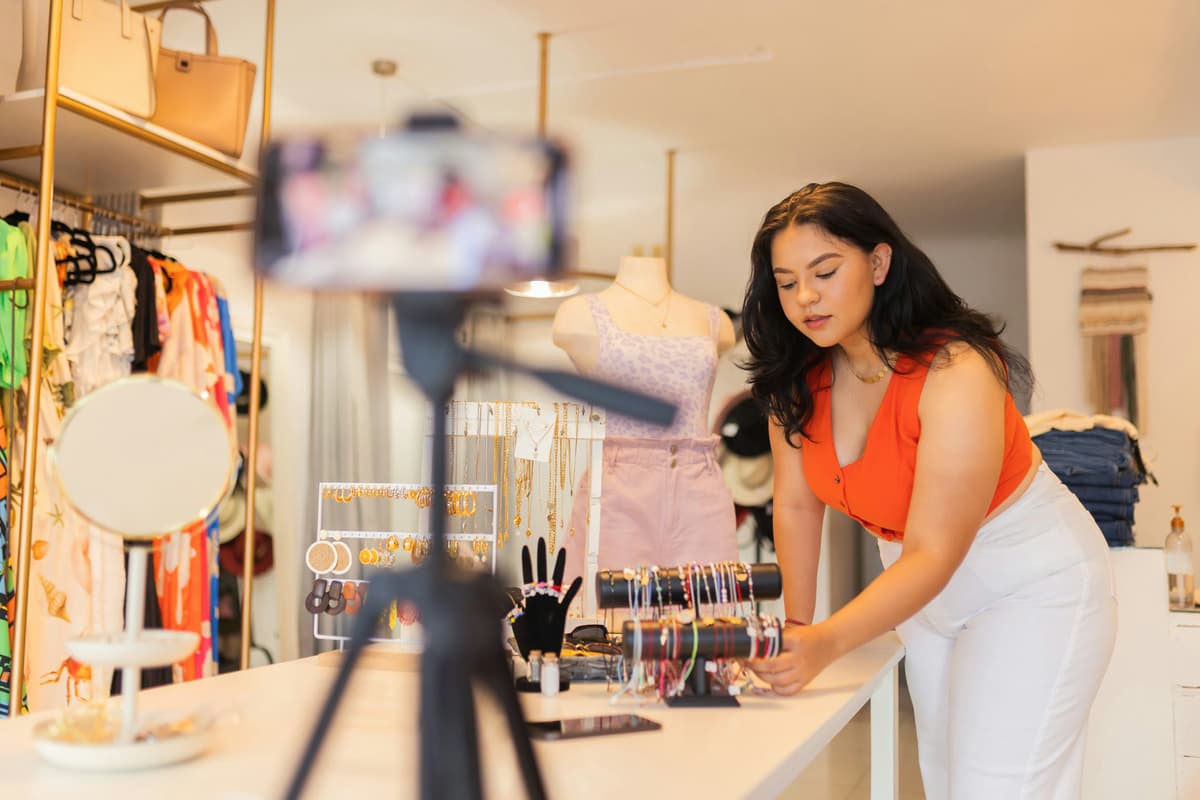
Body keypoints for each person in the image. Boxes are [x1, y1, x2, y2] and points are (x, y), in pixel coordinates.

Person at [741, 182, 1115, 799]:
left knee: (997, 790)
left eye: (824, 272)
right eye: (786, 283)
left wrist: (825, 643)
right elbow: (798, 503)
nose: (804, 297)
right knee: (944, 784)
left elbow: (936, 552)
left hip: (1028, 579)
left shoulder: (957, 369)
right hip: (920, 592)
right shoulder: (795, 381)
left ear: (879, 263)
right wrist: (797, 627)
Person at [551, 253, 737, 576]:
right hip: (619, 487)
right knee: (610, 602)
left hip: (699, 487)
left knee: (710, 599)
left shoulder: (715, 320)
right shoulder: (580, 314)